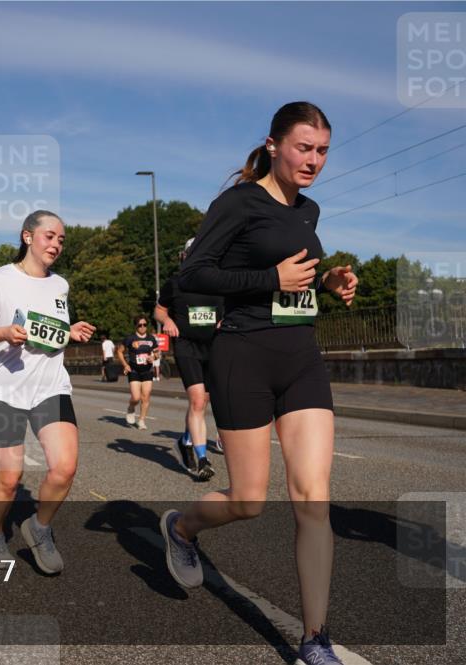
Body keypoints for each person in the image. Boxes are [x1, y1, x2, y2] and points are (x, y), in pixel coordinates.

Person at [159, 102, 358, 665]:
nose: (314, 160)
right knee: (249, 500)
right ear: (273, 145)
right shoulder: (238, 202)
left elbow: (298, 278)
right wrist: (270, 277)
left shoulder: (309, 210)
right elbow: (194, 275)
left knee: (312, 499)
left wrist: (330, 279)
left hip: (301, 358)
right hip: (242, 355)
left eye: (322, 150)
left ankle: (314, 639)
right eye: (303, 147)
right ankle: (181, 528)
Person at [0, 210, 95, 574]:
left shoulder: (60, 285)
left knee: (65, 468)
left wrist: (71, 332)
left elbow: (48, 333)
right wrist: (3, 332)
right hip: (4, 390)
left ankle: (39, 527)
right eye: (49, 236)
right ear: (28, 237)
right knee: (9, 480)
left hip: (49, 387)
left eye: (61, 239)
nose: (56, 244)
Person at [154, 238, 225, 480]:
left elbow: (227, 309)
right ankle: (202, 460)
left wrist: (223, 321)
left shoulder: (217, 284)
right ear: (183, 257)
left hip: (213, 347)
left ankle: (185, 441)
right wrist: (168, 321)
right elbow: (159, 310)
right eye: (190, 253)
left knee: (203, 401)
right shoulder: (175, 284)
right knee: (196, 401)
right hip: (186, 346)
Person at [117, 316, 159, 430]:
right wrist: (125, 365)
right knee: (136, 397)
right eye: (140, 325)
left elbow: (157, 353)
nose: (142, 327)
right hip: (134, 370)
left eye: (144, 325)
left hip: (147, 370)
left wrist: (153, 357)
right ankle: (131, 408)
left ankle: (141, 420)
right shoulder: (130, 338)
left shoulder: (151, 339)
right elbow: (119, 352)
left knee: (146, 397)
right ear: (136, 326)